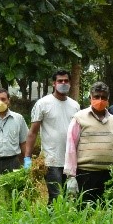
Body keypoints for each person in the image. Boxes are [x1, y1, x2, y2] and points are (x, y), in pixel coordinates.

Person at [27, 69, 79, 204]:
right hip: (51, 160)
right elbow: (33, 132)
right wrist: (27, 159)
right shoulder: (43, 104)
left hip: (71, 161)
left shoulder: (75, 106)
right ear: (54, 84)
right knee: (56, 196)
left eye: (66, 81)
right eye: (60, 81)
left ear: (70, 83)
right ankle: (53, 223)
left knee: (69, 198)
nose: (63, 83)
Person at [65, 82, 113, 203]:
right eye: (96, 97)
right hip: (86, 174)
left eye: (104, 97)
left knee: (108, 212)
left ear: (108, 100)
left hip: (109, 174)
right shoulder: (79, 118)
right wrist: (71, 176)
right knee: (85, 212)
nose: (100, 100)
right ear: (90, 98)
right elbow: (71, 148)